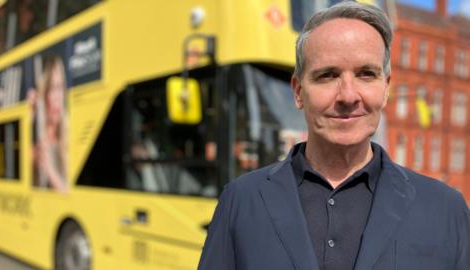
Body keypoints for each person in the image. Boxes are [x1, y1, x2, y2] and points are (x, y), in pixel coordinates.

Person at [198, 2, 470, 270]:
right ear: (298, 91)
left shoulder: (446, 209)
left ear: (385, 88)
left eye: (366, 74)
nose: (348, 96)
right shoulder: (241, 200)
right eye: (327, 75)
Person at [32, 55, 68, 192]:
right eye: (52, 89)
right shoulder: (37, 141)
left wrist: (49, 170)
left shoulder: (68, 131)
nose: (58, 97)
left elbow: (70, 192)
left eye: (60, 87)